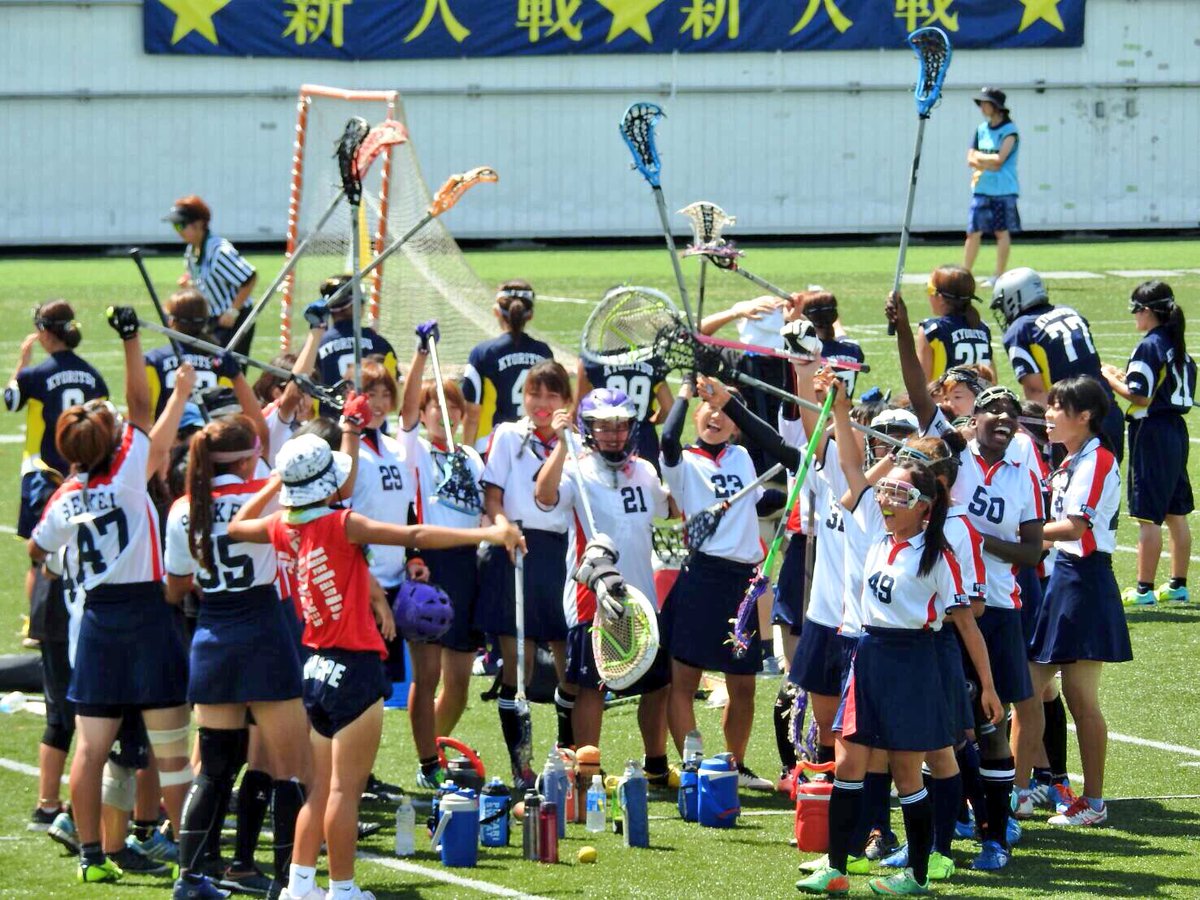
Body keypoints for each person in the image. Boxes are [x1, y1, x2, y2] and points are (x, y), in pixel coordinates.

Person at [227, 429, 522, 900]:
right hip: (355, 669)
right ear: (326, 484)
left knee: (320, 789)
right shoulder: (342, 523)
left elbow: (236, 526)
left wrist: (272, 484)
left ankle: (300, 886)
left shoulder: (284, 526)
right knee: (345, 791)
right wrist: (490, 531)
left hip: (316, 669)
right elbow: (415, 534)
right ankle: (343, 889)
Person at [796, 378, 1000, 898]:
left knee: (910, 769)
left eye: (898, 495)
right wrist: (843, 411)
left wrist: (989, 687)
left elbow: (967, 624)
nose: (885, 499)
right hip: (869, 656)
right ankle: (836, 865)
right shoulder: (878, 538)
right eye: (885, 492)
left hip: (912, 661)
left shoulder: (937, 557)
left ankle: (919, 871)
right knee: (848, 763)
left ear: (925, 506)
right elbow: (850, 478)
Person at [29, 307, 194, 886]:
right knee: (171, 748)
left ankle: (91, 857)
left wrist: (55, 560)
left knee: (90, 747)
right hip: (146, 614)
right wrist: (131, 340)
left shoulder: (65, 496)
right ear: (109, 443)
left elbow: (39, 551)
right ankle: (188, 864)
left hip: (97, 621)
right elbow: (143, 410)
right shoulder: (125, 472)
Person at [165, 415, 311, 899]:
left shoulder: (185, 507)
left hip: (212, 634)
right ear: (250, 455)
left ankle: (187, 881)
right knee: (291, 768)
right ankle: (290, 882)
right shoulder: (266, 495)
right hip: (264, 632)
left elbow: (176, 585)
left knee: (214, 769)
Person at [4, 300, 108, 832]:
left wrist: (21, 363)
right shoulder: (90, 372)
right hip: (82, 479)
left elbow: (8, 399)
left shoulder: (40, 369)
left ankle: (34, 620)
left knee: (61, 714)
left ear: (46, 334)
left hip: (47, 472)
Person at [534, 388, 672, 781]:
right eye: (604, 427)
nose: (614, 435)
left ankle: (656, 764)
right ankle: (588, 767)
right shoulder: (577, 469)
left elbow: (669, 509)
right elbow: (544, 495)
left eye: (621, 426)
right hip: (591, 596)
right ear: (588, 430)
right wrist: (560, 446)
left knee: (657, 684)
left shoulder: (644, 470)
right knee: (592, 688)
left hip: (640, 594)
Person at [1019, 376, 1131, 827]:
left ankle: (1093, 802)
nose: (1048, 415)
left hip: (1084, 582)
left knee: (1079, 699)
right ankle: (1018, 792)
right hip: (1064, 581)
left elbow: (1075, 528)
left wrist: (1022, 531)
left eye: (1057, 408)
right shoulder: (1072, 459)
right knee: (1027, 689)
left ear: (1084, 416)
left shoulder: (1097, 459)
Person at [664, 375, 773, 790]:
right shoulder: (682, 462)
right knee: (685, 679)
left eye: (725, 411)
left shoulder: (742, 456)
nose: (716, 416)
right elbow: (667, 440)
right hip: (702, 576)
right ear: (696, 412)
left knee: (743, 685)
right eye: (708, 408)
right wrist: (684, 391)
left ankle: (735, 765)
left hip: (742, 582)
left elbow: (758, 502)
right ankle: (693, 767)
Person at [477, 360, 575, 786]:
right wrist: (504, 529)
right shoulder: (507, 435)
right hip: (515, 548)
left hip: (561, 552)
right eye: (535, 394)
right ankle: (522, 766)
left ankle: (569, 757)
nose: (541, 403)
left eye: (552, 395)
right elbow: (493, 498)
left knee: (570, 658)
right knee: (519, 664)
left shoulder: (578, 441)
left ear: (566, 402)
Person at [399, 323, 487, 788]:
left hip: (466, 567)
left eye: (453, 407)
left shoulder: (472, 457)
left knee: (458, 683)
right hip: (429, 566)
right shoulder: (413, 451)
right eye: (437, 407)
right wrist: (418, 355)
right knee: (427, 675)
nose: (445, 414)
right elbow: (408, 410)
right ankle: (429, 762)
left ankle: (430, 754)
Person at [1101, 281, 1195, 606]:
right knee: (1175, 512)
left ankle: (1143, 589)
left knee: (1148, 516)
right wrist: (1124, 377)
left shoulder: (1150, 345)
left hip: (1152, 431)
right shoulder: (1176, 343)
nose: (1134, 317)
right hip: (1176, 430)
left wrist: (1109, 378)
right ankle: (1178, 585)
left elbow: (1139, 394)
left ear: (1147, 311)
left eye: (1135, 310)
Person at [992, 267, 1124, 460]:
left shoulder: (1021, 328)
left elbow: (1035, 390)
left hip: (1071, 420)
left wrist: (1041, 427)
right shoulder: (1069, 312)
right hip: (1107, 411)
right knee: (1106, 482)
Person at [461, 280, 554, 453]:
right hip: (533, 447)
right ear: (530, 315)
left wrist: (466, 455)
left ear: (496, 312)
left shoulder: (482, 353)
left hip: (490, 447)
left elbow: (472, 413)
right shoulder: (544, 352)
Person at [166, 195, 258, 359]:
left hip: (234, 320)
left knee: (229, 370)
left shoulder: (218, 251)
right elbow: (202, 276)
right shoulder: (192, 251)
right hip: (212, 320)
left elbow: (249, 278)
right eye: (175, 226)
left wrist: (233, 311)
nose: (178, 231)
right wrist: (190, 283)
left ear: (199, 224)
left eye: (181, 225)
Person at [307, 275, 398, 417]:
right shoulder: (379, 343)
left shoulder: (315, 345)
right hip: (369, 425)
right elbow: (393, 387)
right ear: (357, 305)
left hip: (328, 428)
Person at [144, 288, 236, 418]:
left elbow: (145, 411)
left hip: (167, 435)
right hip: (211, 434)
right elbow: (229, 408)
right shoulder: (222, 361)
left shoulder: (154, 360)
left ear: (171, 321)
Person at [963, 88, 1019, 285]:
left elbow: (999, 160)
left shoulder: (1009, 130)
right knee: (973, 232)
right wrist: (985, 160)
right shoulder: (981, 129)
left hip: (1003, 190)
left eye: (986, 103)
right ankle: (965, 274)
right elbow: (970, 158)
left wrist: (982, 159)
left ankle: (998, 275)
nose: (982, 107)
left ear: (997, 107)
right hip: (981, 188)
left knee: (1001, 232)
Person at [915, 266, 993, 381]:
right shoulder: (982, 328)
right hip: (980, 397)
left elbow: (921, 383)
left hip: (947, 398)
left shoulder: (932, 331)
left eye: (930, 290)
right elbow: (993, 379)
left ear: (940, 297)